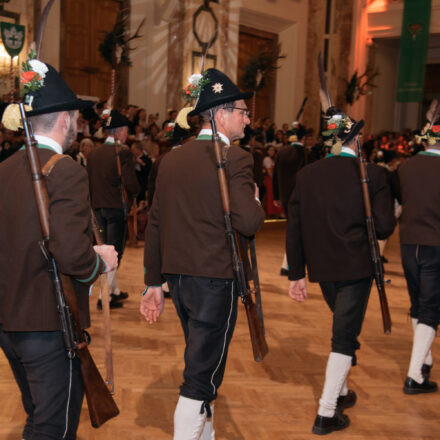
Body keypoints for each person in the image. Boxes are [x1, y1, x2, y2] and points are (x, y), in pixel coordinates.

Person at [140, 68, 265, 440]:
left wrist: (153, 283)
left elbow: (156, 223)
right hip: (216, 280)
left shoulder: (171, 160)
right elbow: (249, 221)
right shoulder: (236, 158)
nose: (247, 118)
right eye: (242, 111)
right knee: (200, 378)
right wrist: (256, 201)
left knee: (201, 363)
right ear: (221, 113)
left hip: (179, 280)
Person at [0, 60, 118, 440]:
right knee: (55, 428)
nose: (79, 126)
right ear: (65, 119)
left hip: (9, 321)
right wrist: (98, 264)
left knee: (38, 419)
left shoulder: (4, 169)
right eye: (77, 119)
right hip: (48, 323)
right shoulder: (65, 169)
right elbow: (68, 252)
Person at [287, 107, 395, 435]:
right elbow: (385, 227)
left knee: (343, 328)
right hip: (356, 267)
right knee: (344, 336)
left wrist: (296, 273)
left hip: (323, 268)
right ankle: (326, 412)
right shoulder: (373, 174)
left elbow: (295, 227)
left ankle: (343, 391)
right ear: (357, 139)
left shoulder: (307, 174)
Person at [396, 109, 440, 394]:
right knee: (431, 308)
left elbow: (400, 205)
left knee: (417, 304)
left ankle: (424, 361)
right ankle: (415, 376)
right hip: (436, 244)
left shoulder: (404, 167)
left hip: (408, 242)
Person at [87, 109, 140, 309]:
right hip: (116, 208)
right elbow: (131, 184)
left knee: (105, 249)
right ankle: (104, 296)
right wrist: (136, 193)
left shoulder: (93, 154)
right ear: (118, 132)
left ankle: (114, 290)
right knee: (115, 251)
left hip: (97, 209)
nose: (126, 134)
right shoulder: (122, 152)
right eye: (125, 130)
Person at [273, 121, 307, 276]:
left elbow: (275, 175)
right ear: (304, 138)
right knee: (297, 232)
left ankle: (287, 264)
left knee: (293, 230)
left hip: (285, 197)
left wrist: (276, 196)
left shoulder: (281, 152)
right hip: (300, 197)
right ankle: (289, 264)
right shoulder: (304, 153)